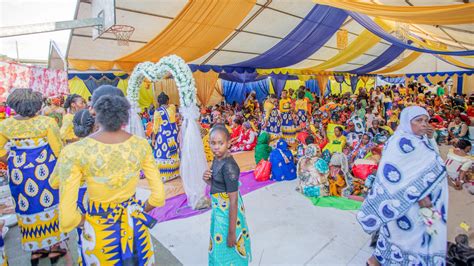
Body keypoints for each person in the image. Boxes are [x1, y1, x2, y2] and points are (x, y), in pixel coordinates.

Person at [54, 95, 165, 265]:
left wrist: (87, 220)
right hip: (137, 230)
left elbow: (68, 218)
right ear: (124, 118)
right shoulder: (141, 145)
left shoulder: (74, 151)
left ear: (96, 118)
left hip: (99, 235)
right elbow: (158, 197)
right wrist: (137, 209)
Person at [357, 106, 448, 265]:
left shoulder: (420, 139)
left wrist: (431, 138)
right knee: (405, 236)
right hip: (411, 202)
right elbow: (392, 174)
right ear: (407, 122)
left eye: (426, 120)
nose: (423, 124)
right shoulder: (400, 142)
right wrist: (422, 197)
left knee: (423, 234)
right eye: (418, 120)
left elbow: (434, 160)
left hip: (425, 200)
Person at [0, 89, 67, 264]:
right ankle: (55, 246)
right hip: (46, 172)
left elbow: (0, 151)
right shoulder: (47, 123)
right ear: (37, 105)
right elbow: (58, 151)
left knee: (27, 206)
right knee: (51, 205)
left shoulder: (6, 125)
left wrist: (13, 162)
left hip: (19, 175)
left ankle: (36, 247)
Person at [203, 125, 252, 265]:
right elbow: (216, 185)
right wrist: (206, 178)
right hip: (219, 210)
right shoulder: (217, 159)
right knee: (219, 247)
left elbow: (234, 200)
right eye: (213, 143)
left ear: (229, 143)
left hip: (227, 214)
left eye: (220, 143)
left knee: (227, 248)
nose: (216, 147)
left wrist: (232, 233)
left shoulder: (229, 167)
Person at [152, 92, 180, 182]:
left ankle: (165, 175)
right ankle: (175, 172)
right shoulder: (172, 107)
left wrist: (153, 138)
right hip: (173, 132)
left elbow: (155, 127)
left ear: (159, 102)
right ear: (168, 100)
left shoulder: (158, 111)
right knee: (174, 150)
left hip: (164, 133)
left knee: (164, 153)